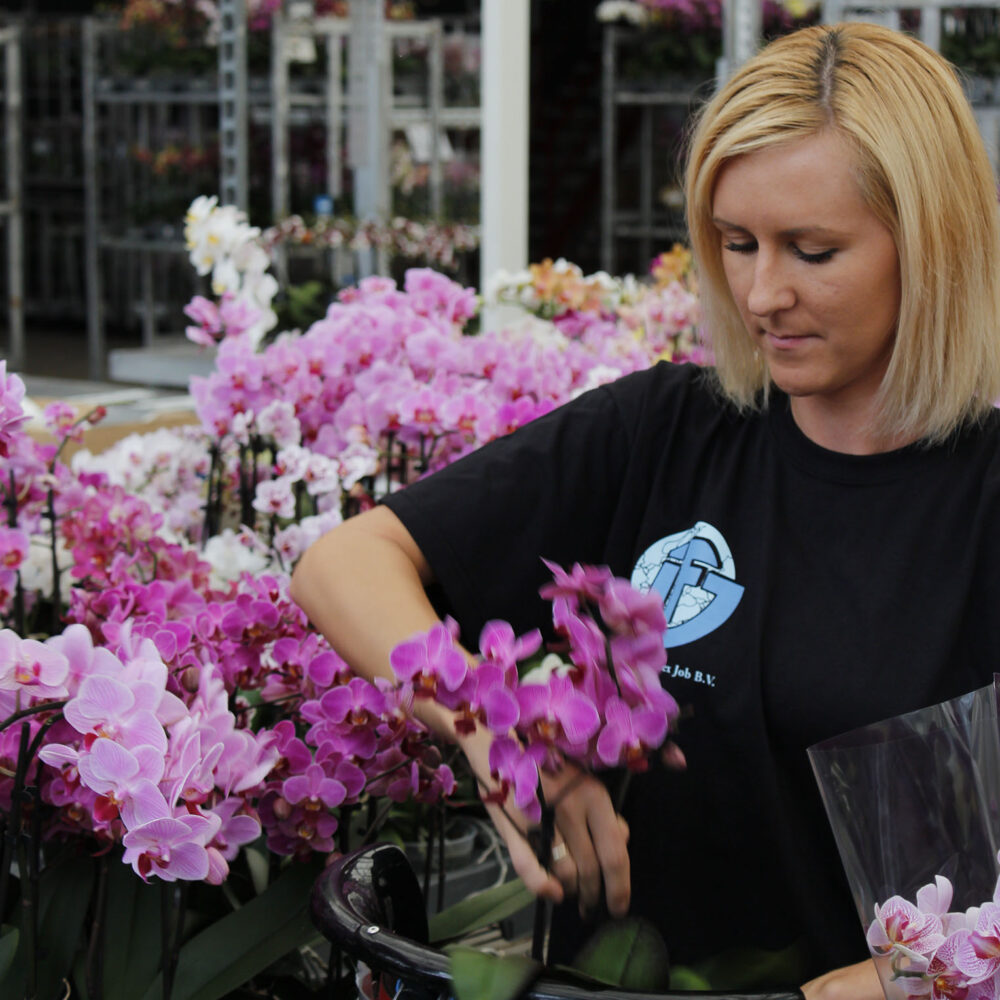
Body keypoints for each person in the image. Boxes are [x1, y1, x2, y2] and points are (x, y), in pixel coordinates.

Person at [290, 21, 1000, 998]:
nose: (760, 292)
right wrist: (496, 730)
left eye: (813, 249)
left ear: (931, 243)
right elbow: (344, 565)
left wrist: (903, 976)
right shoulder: (663, 431)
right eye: (736, 242)